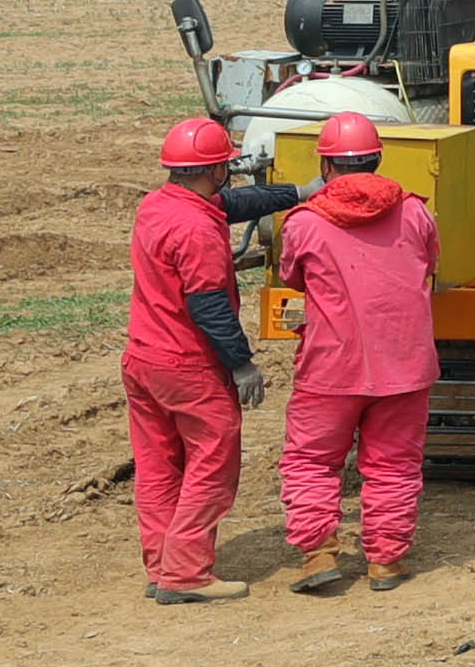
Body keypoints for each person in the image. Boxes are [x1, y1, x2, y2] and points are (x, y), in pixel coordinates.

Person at [122, 119, 295, 604]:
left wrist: (299, 191)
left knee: (158, 467)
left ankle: (162, 566)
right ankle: (187, 573)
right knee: (212, 463)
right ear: (218, 169)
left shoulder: (158, 205)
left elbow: (233, 205)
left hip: (144, 359)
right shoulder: (198, 229)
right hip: (190, 366)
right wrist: (242, 364)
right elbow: (209, 306)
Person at [274, 112, 444, 595]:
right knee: (393, 464)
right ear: (378, 159)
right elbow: (431, 262)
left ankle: (318, 554)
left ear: (325, 166)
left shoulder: (304, 222)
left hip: (330, 366)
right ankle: (385, 562)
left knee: (311, 461)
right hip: (405, 364)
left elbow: (291, 277)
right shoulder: (415, 212)